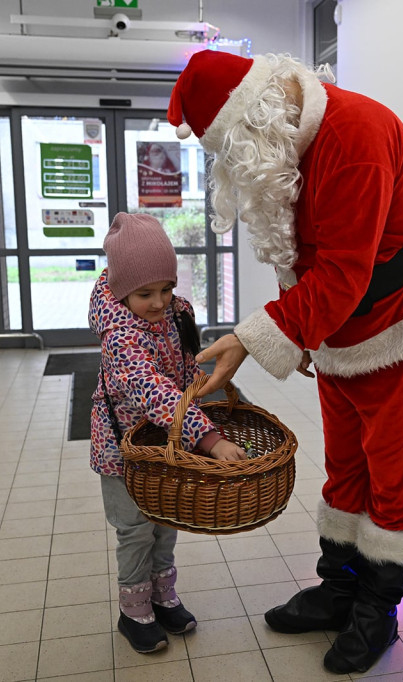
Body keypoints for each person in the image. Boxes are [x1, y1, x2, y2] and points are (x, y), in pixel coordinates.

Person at [166, 51, 403, 673]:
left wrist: (251, 339)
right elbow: (303, 255)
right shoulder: (290, 143)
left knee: (397, 471)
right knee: (345, 466)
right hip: (338, 329)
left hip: (402, 323)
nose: (232, 163)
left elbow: (342, 271)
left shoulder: (356, 134)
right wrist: (306, 337)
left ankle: (377, 611)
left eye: (230, 146)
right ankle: (338, 589)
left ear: (257, 116)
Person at [88, 211, 246, 654]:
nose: (159, 302)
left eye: (167, 288)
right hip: (123, 450)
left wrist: (212, 383)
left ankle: (162, 595)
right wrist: (209, 437)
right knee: (135, 528)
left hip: (166, 443)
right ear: (121, 290)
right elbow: (152, 391)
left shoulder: (176, 313)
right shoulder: (119, 333)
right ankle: (134, 610)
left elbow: (185, 368)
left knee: (165, 520)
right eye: (145, 293)